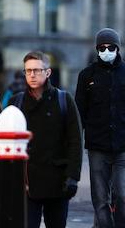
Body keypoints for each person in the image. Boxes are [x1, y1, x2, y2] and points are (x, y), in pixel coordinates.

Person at [75, 28, 125, 228]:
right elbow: (79, 115)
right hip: (97, 145)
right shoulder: (86, 75)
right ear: (97, 49)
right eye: (102, 47)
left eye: (111, 47)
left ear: (117, 48)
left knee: (123, 194)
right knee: (100, 200)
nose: (106, 50)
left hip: (124, 144)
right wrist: (75, 146)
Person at [8, 51, 82, 228]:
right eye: (28, 71)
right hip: (26, 183)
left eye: (37, 70)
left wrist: (72, 177)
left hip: (58, 182)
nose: (32, 75)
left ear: (48, 72)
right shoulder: (15, 102)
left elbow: (76, 140)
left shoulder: (64, 100)